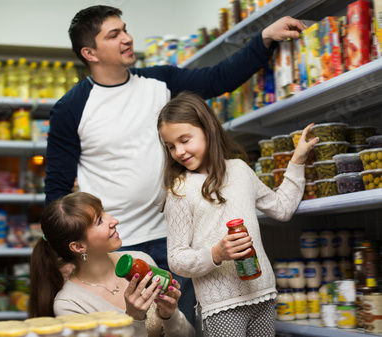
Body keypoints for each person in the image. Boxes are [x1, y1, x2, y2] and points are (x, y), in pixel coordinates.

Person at [44, 4, 307, 325]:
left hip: (177, 237)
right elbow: (57, 188)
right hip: (118, 246)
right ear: (90, 52)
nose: (127, 38)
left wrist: (264, 38)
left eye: (125, 29)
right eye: (114, 35)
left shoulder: (160, 81)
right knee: (137, 327)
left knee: (182, 326)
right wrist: (66, 254)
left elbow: (217, 78)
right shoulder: (71, 108)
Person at [156, 92, 319, 336]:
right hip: (221, 305)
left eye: (185, 140)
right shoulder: (179, 189)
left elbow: (282, 208)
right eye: (171, 146)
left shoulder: (240, 170)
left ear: (208, 129)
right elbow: (177, 259)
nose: (179, 151)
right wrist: (216, 254)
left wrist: (297, 159)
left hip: (263, 293)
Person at [29, 192, 195, 337]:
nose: (114, 220)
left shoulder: (139, 260)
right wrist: (134, 319)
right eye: (100, 221)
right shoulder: (69, 304)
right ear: (79, 247)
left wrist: (170, 315)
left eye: (105, 212)